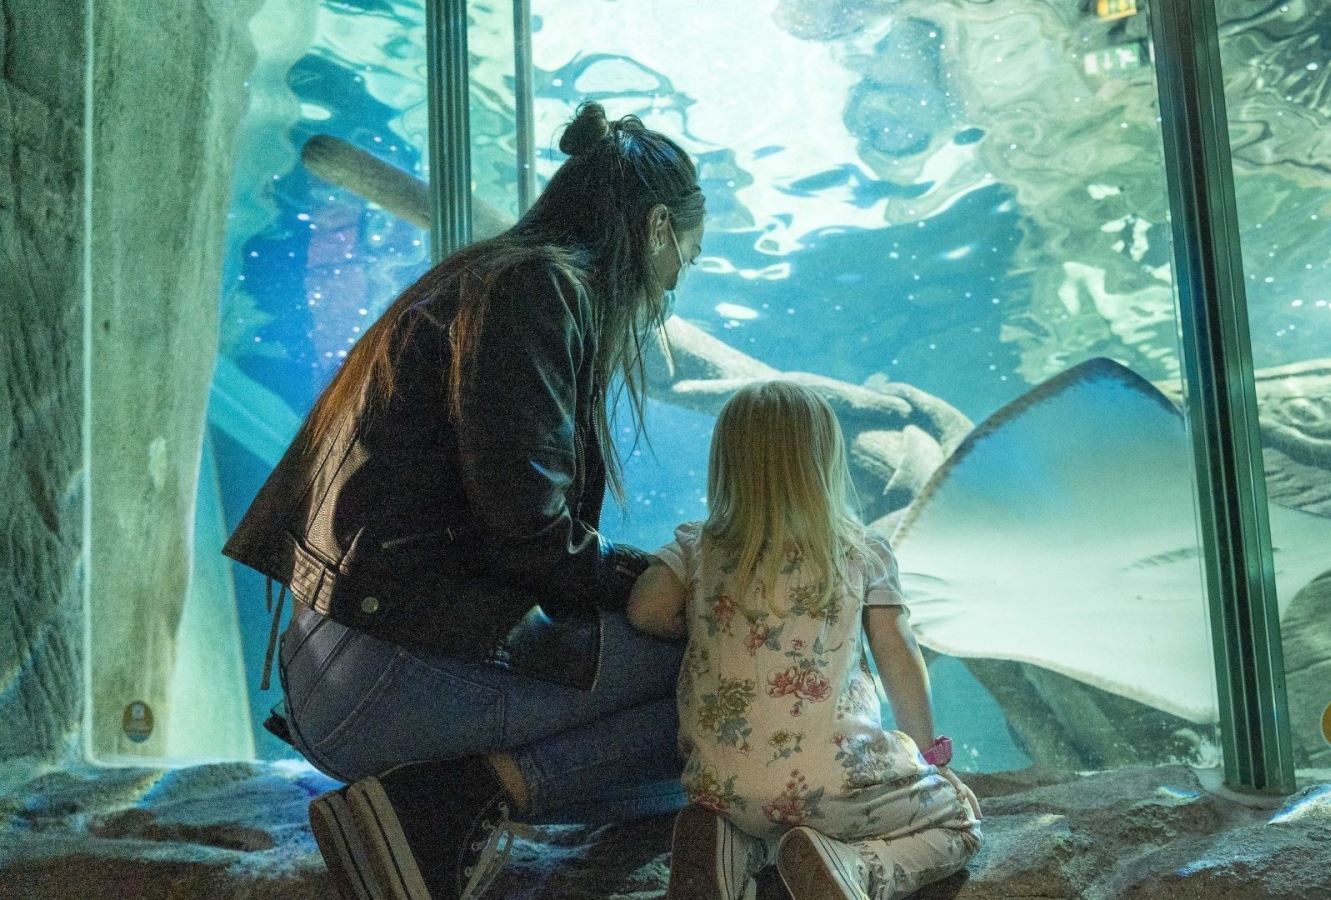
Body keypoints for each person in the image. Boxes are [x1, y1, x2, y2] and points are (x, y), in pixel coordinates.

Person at [222, 100, 705, 900]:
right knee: (741, 687)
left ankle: (447, 807)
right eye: (687, 255)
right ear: (656, 228)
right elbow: (527, 532)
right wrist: (649, 582)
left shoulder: (493, 276)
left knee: (695, 766)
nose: (678, 282)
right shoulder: (539, 290)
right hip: (384, 676)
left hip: (347, 668)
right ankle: (442, 809)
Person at [627, 380, 984, 900]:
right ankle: (857, 866)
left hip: (720, 789)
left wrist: (699, 621)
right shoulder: (862, 552)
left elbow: (644, 609)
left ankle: (731, 848)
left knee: (754, 813)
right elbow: (900, 659)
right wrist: (929, 753)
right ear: (825, 464)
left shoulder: (695, 544)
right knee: (960, 819)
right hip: (835, 787)